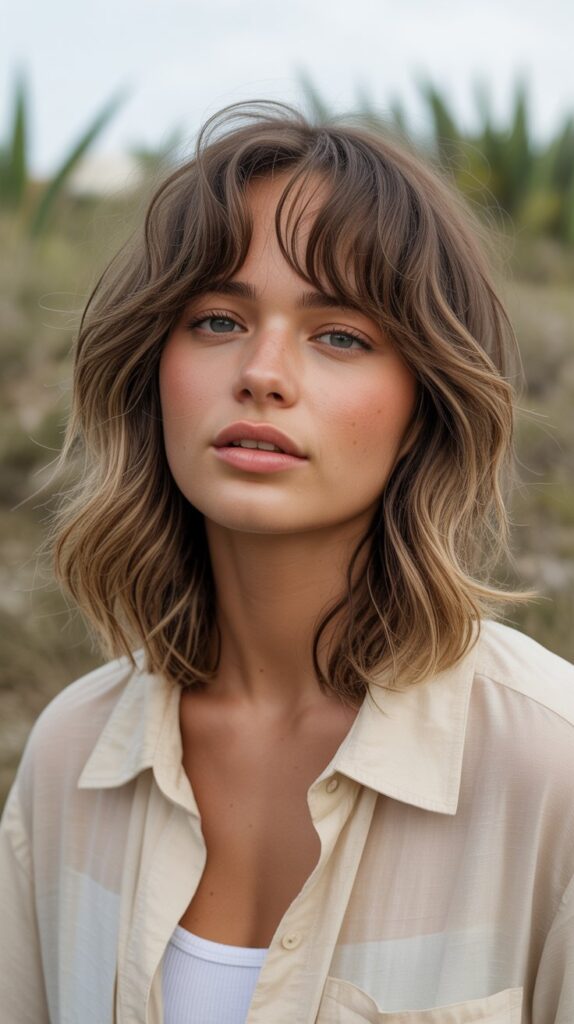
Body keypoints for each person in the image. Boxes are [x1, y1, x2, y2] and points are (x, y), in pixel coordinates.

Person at [1, 100, 573, 1024]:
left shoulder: (552, 769)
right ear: (154, 367)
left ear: (426, 402)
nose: (263, 370)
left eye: (340, 334)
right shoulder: (73, 756)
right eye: (217, 319)